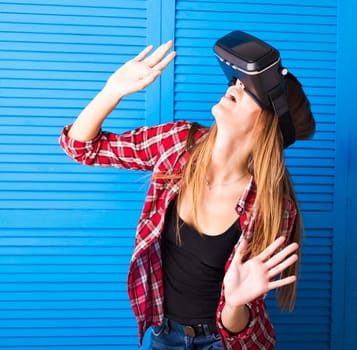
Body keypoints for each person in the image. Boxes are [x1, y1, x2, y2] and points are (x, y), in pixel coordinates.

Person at [59, 32, 315, 350]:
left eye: (249, 89)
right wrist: (113, 91)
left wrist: (235, 304)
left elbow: (242, 330)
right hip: (164, 335)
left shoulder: (271, 206)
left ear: (269, 122)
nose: (235, 86)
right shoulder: (179, 144)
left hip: (222, 341)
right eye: (235, 81)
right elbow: (82, 148)